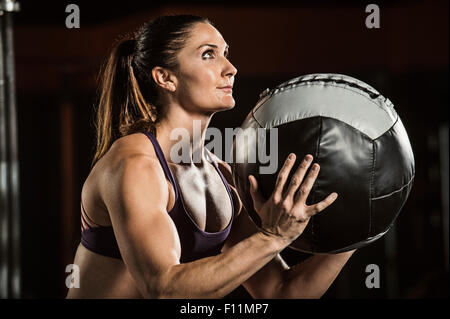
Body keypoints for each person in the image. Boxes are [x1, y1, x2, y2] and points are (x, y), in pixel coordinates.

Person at [66, 14, 355, 299]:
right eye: (208, 55)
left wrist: (364, 225)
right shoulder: (135, 166)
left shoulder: (222, 175)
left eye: (226, 54)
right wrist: (272, 237)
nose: (231, 68)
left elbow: (281, 291)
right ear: (165, 77)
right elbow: (164, 289)